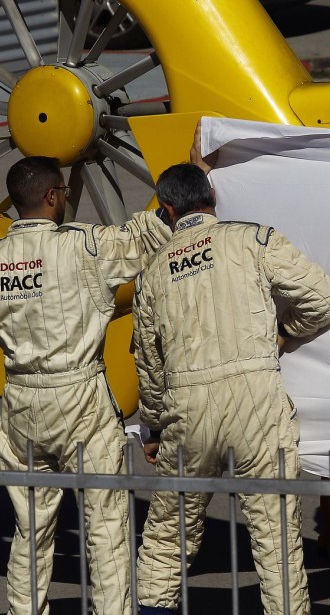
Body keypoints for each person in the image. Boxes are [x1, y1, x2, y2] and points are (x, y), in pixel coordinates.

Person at [132, 161, 330, 615]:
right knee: (276, 539)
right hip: (256, 400)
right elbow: (323, 300)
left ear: (167, 210)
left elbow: (149, 364)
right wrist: (285, 334)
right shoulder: (253, 239)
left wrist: (152, 428)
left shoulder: (152, 275)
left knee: (168, 534)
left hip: (187, 407)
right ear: (213, 198)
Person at [0, 155, 172, 614]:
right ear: (53, 196)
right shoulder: (81, 245)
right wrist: (191, 177)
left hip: (19, 401)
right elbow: (142, 237)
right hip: (79, 396)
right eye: (65, 192)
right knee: (106, 519)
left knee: (29, 526)